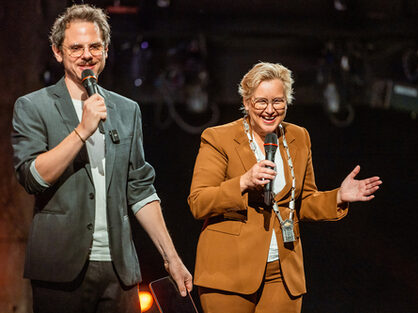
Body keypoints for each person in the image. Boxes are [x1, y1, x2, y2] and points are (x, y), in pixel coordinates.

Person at [11, 4, 192, 313]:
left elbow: (140, 189)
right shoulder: (33, 106)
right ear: (57, 52)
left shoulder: (126, 110)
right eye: (76, 48)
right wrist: (82, 130)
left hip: (118, 269)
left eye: (95, 46)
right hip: (60, 268)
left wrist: (171, 257)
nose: (87, 55)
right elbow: (32, 176)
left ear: (106, 50)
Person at [187, 62, 382, 313]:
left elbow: (304, 202)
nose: (270, 110)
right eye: (261, 102)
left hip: (283, 270)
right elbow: (199, 201)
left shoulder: (299, 137)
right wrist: (243, 182)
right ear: (246, 103)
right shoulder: (218, 138)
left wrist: (338, 197)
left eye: (278, 101)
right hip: (229, 271)